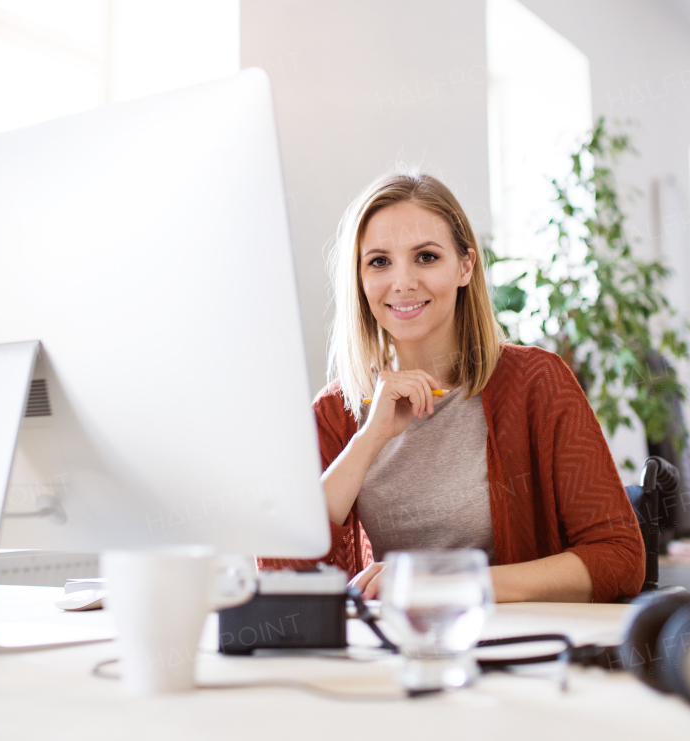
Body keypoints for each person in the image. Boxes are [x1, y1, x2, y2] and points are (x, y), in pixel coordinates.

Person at [266, 169, 644, 603]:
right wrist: (369, 440)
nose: (402, 282)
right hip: (388, 657)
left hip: (515, 652)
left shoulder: (536, 382)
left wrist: (447, 583)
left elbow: (620, 560)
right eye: (379, 261)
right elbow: (278, 576)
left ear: (465, 265)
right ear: (360, 279)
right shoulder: (337, 412)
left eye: (426, 257)